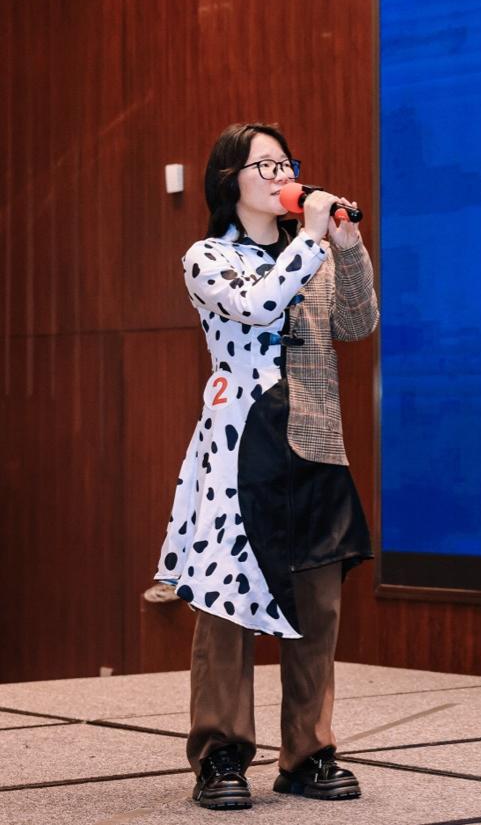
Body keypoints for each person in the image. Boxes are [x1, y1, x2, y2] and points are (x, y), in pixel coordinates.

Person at [154, 123, 378, 810]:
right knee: (227, 603)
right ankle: (221, 754)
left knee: (319, 603)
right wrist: (311, 239)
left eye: (287, 163)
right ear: (230, 180)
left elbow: (357, 323)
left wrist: (348, 246)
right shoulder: (208, 257)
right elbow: (256, 306)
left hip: (316, 438)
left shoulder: (313, 251)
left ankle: (308, 753)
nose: (283, 175)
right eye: (267, 165)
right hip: (243, 446)